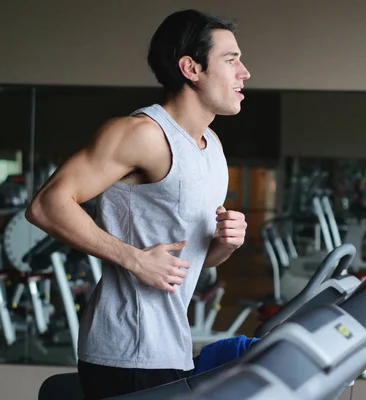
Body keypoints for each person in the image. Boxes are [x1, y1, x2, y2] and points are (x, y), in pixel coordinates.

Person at [25, 9, 251, 399]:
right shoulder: (141, 134)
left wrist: (224, 244)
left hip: (171, 348)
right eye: (231, 60)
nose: (244, 72)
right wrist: (134, 259)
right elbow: (46, 205)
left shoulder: (211, 146)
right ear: (190, 68)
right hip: (124, 350)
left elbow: (193, 262)